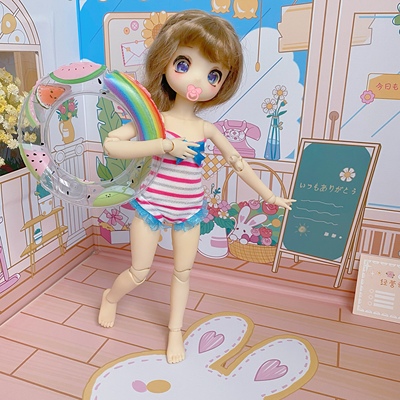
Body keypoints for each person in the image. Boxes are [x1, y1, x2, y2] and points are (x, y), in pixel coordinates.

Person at [98, 9, 295, 364]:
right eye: (184, 63)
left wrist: (269, 195)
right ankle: (110, 297)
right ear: (165, 62)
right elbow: (111, 144)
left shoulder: (206, 129)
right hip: (152, 205)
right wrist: (163, 145)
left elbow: (237, 162)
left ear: (222, 82)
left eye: (213, 74)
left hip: (189, 209)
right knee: (140, 271)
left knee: (183, 272)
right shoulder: (156, 121)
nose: (198, 80)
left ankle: (175, 331)